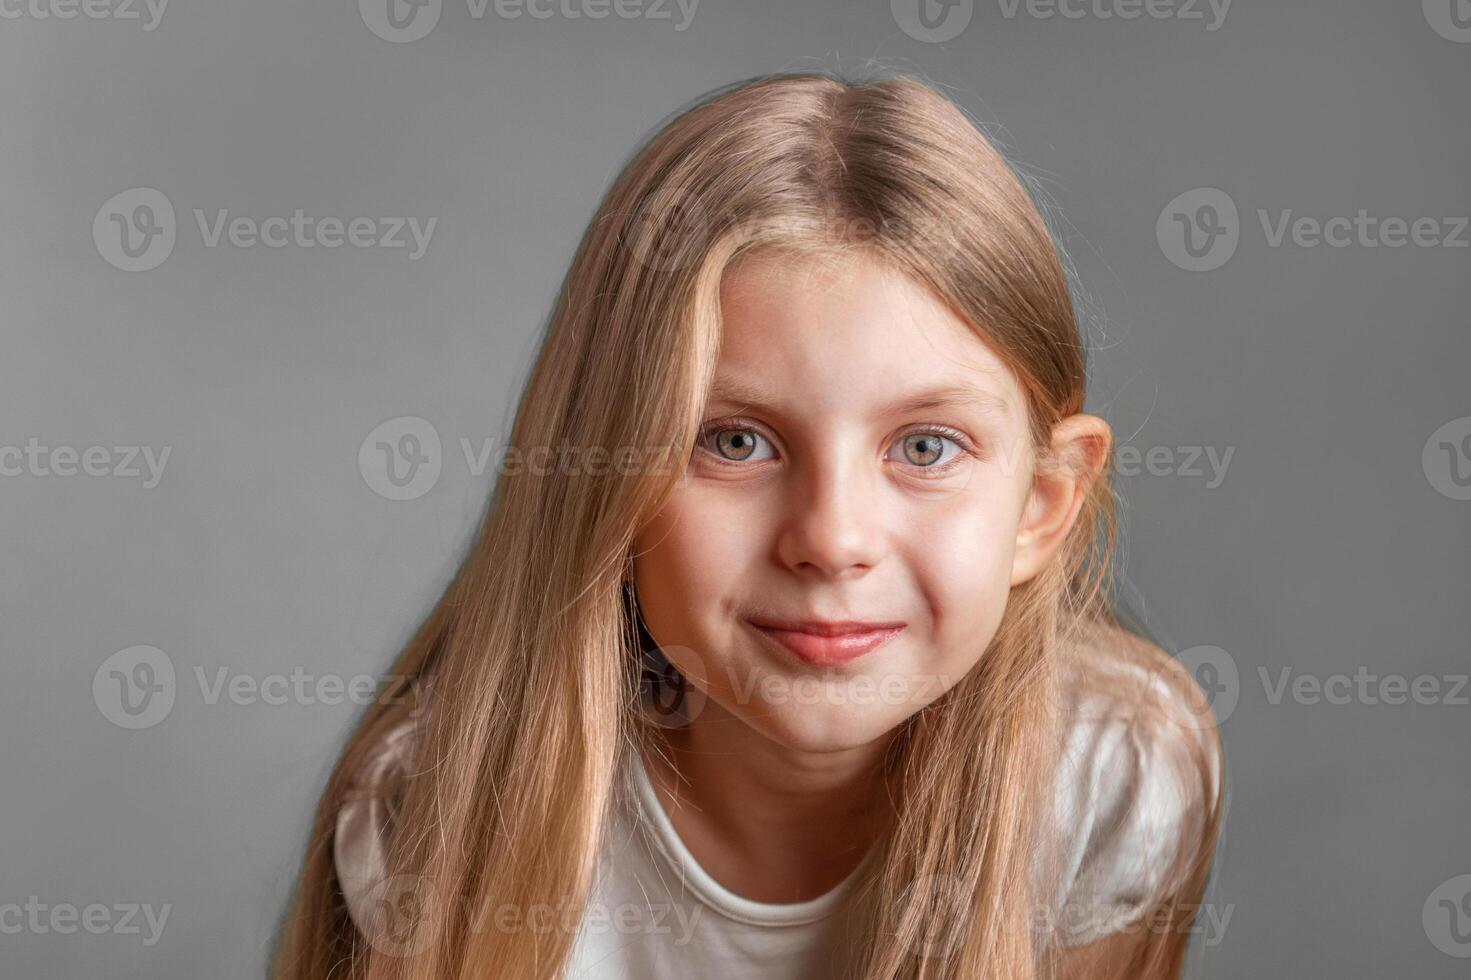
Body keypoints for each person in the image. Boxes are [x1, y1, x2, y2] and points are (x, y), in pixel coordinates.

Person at [271, 70, 1224, 980]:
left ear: (1040, 507)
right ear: (601, 484)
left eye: (926, 448)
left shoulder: (1107, 777)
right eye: (733, 441)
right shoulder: (439, 816)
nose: (830, 537)